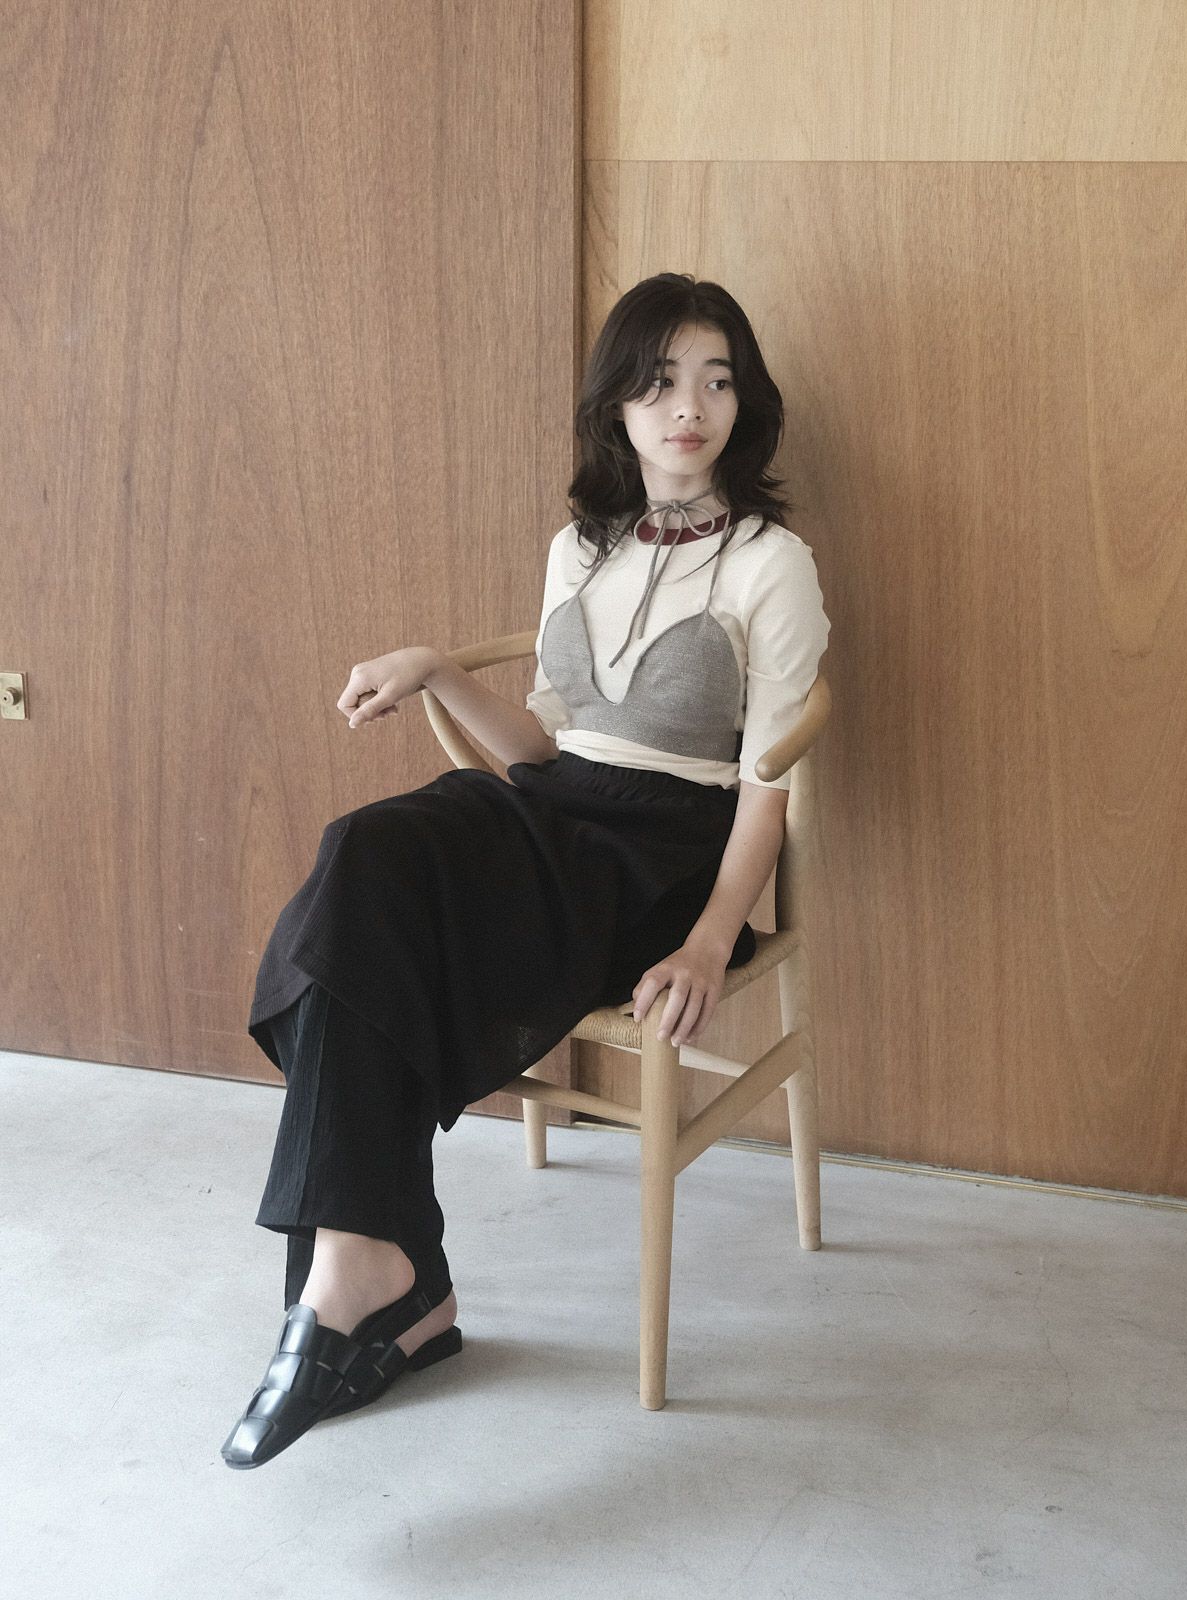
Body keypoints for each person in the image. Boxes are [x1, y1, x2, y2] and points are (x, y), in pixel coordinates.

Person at [220, 272, 832, 1468]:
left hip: (663, 852)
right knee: (365, 859)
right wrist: (440, 670)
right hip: (554, 809)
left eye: (715, 381)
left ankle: (377, 1288)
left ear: (744, 401)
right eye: (660, 382)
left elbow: (768, 785)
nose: (688, 407)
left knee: (371, 947)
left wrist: (711, 941)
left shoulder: (775, 563)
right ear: (618, 404)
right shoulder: (579, 546)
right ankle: (374, 1274)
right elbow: (543, 747)